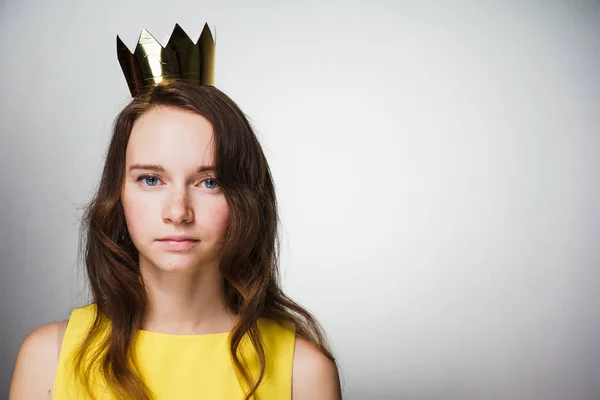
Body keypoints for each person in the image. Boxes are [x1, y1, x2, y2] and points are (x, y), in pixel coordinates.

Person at [9, 24, 341, 400]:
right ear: (117, 194)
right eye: (151, 179)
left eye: (209, 182)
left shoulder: (304, 370)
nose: (178, 212)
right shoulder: (47, 359)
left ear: (246, 200)